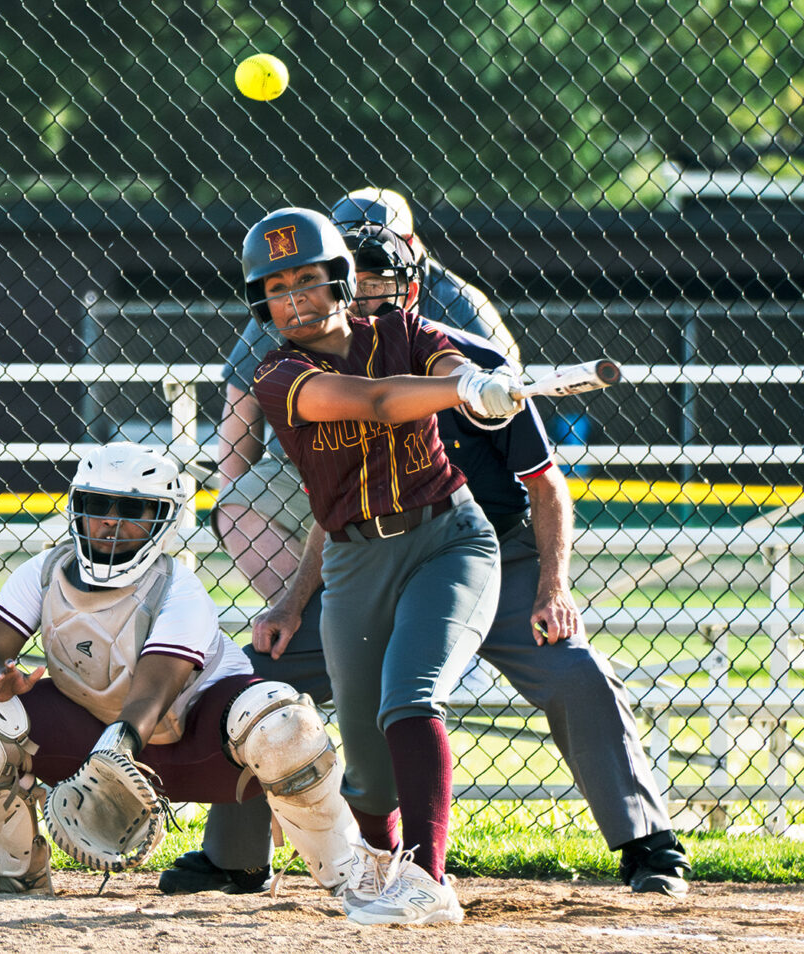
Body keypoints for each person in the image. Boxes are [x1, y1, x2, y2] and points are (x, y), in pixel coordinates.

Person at [162, 222, 691, 908]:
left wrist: (553, 587)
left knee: (575, 671)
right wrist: (293, 604)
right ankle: (236, 859)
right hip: (365, 559)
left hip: (488, 551)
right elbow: (341, 500)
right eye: (364, 291)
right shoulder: (292, 371)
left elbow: (544, 484)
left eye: (385, 290)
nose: (371, 307)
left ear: (413, 292)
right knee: (261, 677)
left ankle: (648, 844)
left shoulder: (459, 354)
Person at [215, 206, 522, 926]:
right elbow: (379, 400)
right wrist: (456, 391)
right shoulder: (279, 374)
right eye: (277, 288)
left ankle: (428, 881)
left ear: (342, 283)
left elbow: (444, 358)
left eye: (310, 281)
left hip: (447, 539)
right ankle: (384, 873)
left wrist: (470, 383)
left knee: (409, 698)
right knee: (366, 756)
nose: (294, 299)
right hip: (352, 559)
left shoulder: (403, 332)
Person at [0, 442, 366, 901]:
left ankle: (352, 877)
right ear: (76, 507)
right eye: (98, 505)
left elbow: (154, 690)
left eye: (134, 510)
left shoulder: (179, 587)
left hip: (204, 751)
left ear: (164, 520)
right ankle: (13, 869)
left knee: (283, 724)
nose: (111, 521)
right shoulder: (43, 572)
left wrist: (112, 756)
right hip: (98, 737)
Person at [329, 187, 520, 362]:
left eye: (372, 246)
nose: (357, 254)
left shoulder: (457, 302)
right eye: (347, 246)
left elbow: (504, 373)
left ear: (408, 242)